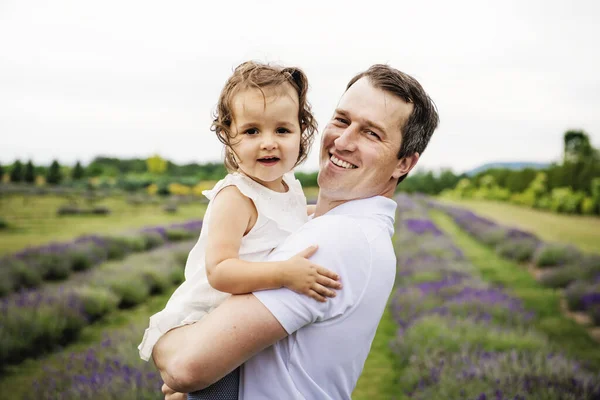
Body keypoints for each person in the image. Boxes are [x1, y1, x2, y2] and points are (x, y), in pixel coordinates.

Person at [153, 64, 439, 400]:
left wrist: (164, 347)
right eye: (343, 120)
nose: (343, 141)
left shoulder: (334, 241)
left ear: (404, 163)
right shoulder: (349, 229)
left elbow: (186, 368)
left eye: (371, 133)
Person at [138, 61, 343, 398]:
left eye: (282, 130)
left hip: (242, 324)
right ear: (228, 135)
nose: (268, 143)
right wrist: (284, 274)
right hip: (208, 323)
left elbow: (286, 219)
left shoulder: (288, 185)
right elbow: (220, 271)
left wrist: (324, 215)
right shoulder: (236, 197)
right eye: (251, 131)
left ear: (302, 132)